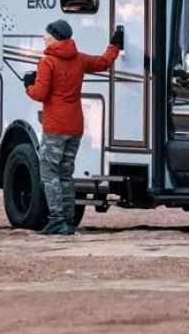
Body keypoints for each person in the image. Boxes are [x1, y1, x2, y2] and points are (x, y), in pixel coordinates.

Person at [24, 20, 124, 235]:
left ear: (55, 37)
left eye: (46, 34)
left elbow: (40, 94)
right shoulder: (79, 59)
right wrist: (115, 45)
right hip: (75, 126)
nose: (43, 37)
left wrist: (28, 85)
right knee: (66, 174)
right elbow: (104, 62)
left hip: (55, 127)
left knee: (49, 174)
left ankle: (56, 220)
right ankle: (69, 221)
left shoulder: (47, 62)